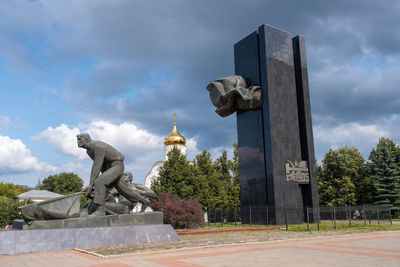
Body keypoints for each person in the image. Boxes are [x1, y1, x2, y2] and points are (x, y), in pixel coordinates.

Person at [77, 133, 150, 216]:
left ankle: (100, 210)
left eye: (79, 139)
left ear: (86, 139)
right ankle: (145, 202)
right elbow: (101, 165)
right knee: (123, 189)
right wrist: (96, 183)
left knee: (99, 182)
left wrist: (91, 184)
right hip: (109, 167)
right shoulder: (89, 151)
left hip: (117, 165)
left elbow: (97, 165)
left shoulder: (98, 147)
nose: (77, 142)